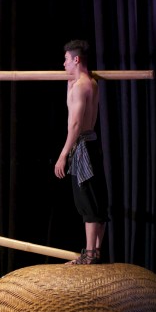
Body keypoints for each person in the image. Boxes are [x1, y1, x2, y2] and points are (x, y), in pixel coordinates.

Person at [53, 39, 109, 265]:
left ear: (76, 59)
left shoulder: (80, 86)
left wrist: (63, 155)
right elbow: (75, 111)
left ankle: (90, 255)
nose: (63, 64)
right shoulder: (91, 83)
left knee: (88, 200)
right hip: (91, 144)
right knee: (96, 199)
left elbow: (75, 125)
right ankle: (95, 252)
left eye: (66, 59)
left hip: (83, 147)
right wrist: (70, 83)